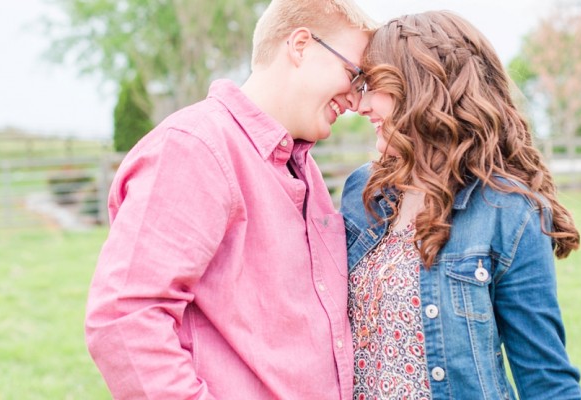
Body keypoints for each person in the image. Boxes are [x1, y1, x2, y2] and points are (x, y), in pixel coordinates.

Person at [84, 1, 377, 398]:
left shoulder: (301, 166)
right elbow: (124, 318)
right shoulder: (196, 147)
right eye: (354, 75)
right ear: (301, 46)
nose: (357, 101)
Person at [341, 11, 581, 400]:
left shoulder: (508, 211)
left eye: (376, 85)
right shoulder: (363, 191)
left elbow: (546, 380)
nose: (362, 104)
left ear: (422, 88)